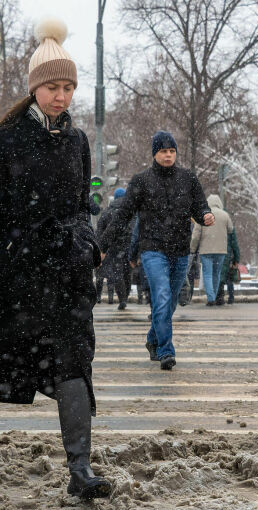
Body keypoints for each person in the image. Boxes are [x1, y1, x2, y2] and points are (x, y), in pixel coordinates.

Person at [0, 18, 111, 499]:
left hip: (64, 274)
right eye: (52, 87)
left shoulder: (77, 142)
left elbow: (82, 206)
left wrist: (89, 244)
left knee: (73, 365)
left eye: (68, 87)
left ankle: (80, 470)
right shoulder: (4, 141)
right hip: (12, 275)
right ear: (35, 88)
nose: (61, 96)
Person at [100, 130, 214, 370]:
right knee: (161, 297)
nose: (168, 155)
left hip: (181, 250)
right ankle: (166, 351)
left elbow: (199, 206)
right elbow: (123, 215)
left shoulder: (188, 179)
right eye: (163, 151)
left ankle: (153, 339)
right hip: (152, 249)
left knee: (170, 303)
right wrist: (103, 245)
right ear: (155, 154)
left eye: (172, 151)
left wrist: (205, 216)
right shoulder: (141, 181)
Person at [191, 194, 233, 306]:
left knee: (208, 274)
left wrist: (192, 248)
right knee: (216, 274)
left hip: (206, 250)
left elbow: (196, 235)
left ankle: (211, 298)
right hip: (221, 250)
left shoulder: (203, 215)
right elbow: (230, 229)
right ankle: (214, 295)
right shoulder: (225, 215)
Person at [96, 187, 134, 310]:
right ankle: (126, 296)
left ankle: (122, 298)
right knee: (128, 273)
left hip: (113, 248)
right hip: (128, 246)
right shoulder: (131, 211)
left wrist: (101, 248)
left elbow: (100, 231)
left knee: (117, 274)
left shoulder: (107, 212)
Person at [215, 226, 241, 305]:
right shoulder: (230, 228)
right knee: (229, 279)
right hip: (229, 257)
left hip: (218, 254)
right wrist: (236, 258)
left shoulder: (215, 228)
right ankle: (231, 297)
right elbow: (235, 245)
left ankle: (219, 297)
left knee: (220, 277)